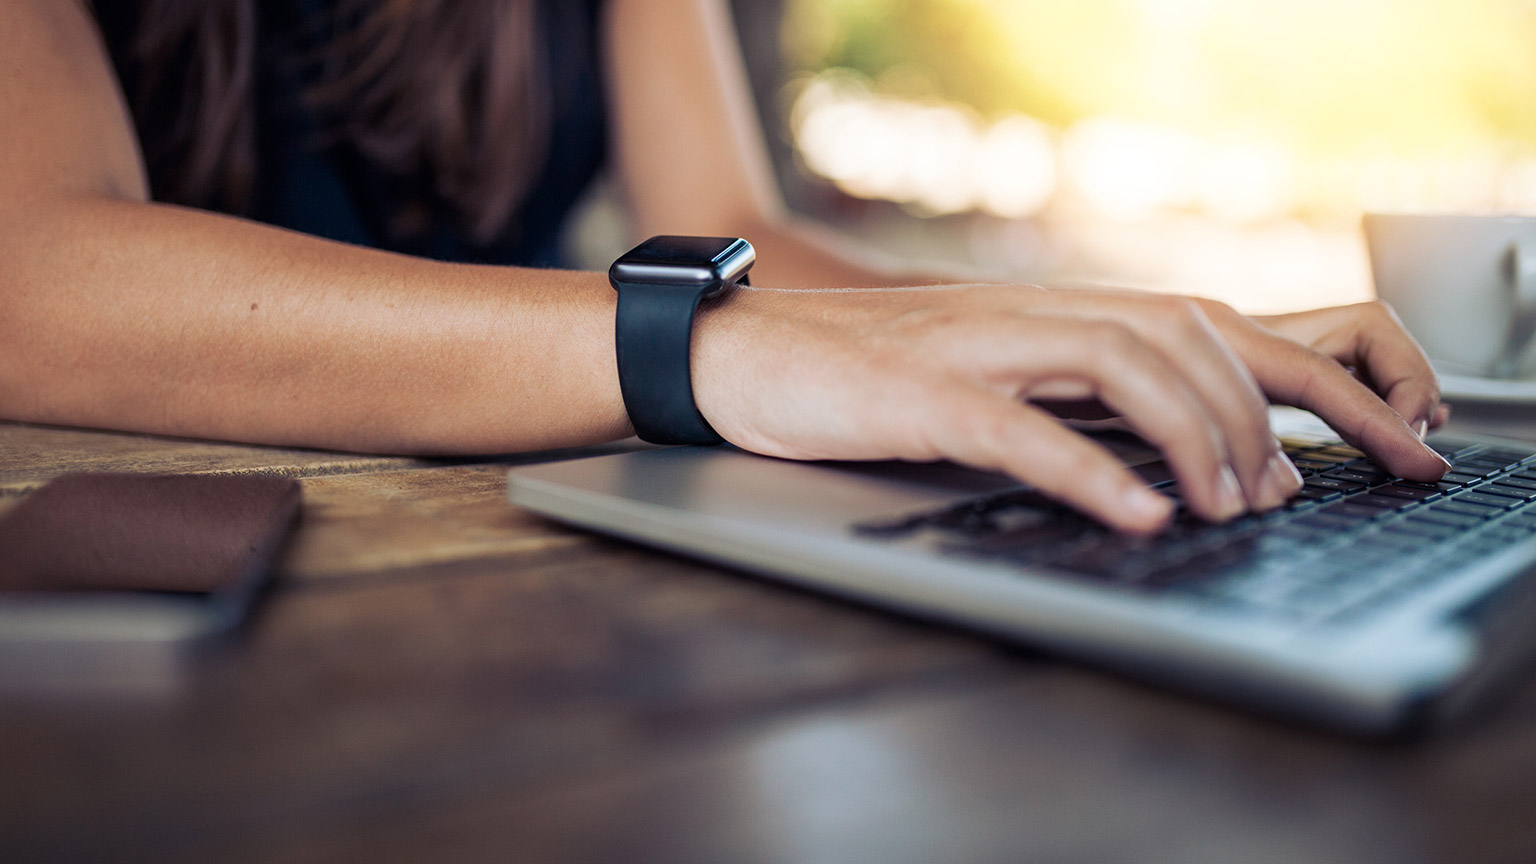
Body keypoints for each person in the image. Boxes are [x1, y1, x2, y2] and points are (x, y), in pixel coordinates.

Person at [0, 0, 1450, 535]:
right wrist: (694, 343)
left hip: (522, 541)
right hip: (161, 554)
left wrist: (1107, 330)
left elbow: (725, 217)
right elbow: (32, 269)